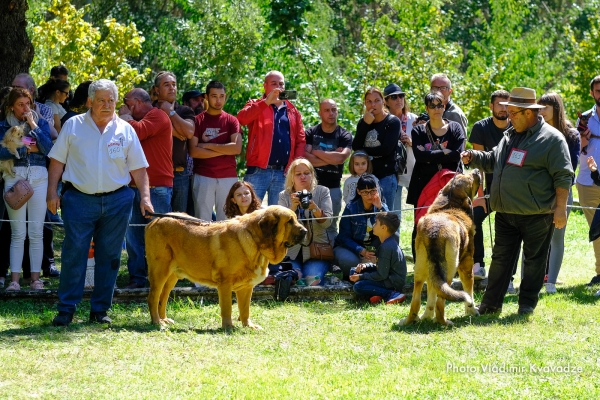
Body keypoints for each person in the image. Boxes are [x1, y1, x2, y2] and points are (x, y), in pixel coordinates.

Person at [47, 79, 154, 326]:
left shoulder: (126, 129)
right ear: (90, 101)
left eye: (112, 101)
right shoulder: (73, 125)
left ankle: (100, 310)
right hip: (79, 200)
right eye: (102, 100)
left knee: (111, 256)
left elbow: (139, 167)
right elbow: (57, 162)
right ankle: (66, 310)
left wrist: (145, 198)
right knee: (74, 255)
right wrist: (52, 192)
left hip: (118, 200)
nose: (107, 105)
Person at [461, 87, 573, 316]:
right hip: (505, 212)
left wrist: (560, 209)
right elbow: (493, 159)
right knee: (500, 259)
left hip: (536, 215)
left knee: (534, 261)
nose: (508, 116)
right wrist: (474, 157)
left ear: (528, 113)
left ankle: (526, 305)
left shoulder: (552, 140)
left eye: (513, 112)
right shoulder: (509, 135)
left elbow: (563, 176)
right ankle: (491, 304)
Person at [118, 88, 173, 289]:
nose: (124, 107)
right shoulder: (132, 121)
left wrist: (124, 116)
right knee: (133, 237)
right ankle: (137, 278)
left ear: (138, 102)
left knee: (160, 237)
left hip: (158, 187)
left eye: (127, 102)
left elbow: (138, 132)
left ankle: (161, 279)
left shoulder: (158, 115)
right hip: (132, 186)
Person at [0, 87, 53, 291]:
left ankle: (35, 279)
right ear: (11, 106)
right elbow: (2, 152)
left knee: (36, 232)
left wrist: (31, 127)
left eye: (28, 104)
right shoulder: (3, 124)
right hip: (14, 179)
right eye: (20, 104)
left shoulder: (40, 122)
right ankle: (14, 281)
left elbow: (48, 148)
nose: (25, 108)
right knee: (17, 233)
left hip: (39, 178)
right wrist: (27, 146)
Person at [406, 91, 465, 262]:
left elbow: (458, 154)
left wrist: (432, 153)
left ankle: (451, 262)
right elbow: (420, 157)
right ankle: (420, 263)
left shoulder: (455, 127)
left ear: (444, 106)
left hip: (449, 185)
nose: (436, 109)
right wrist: (446, 151)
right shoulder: (418, 130)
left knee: (452, 223)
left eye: (440, 105)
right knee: (421, 223)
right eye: (432, 106)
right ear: (427, 108)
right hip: (424, 184)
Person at [237, 70, 305, 205]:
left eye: (281, 84)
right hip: (258, 170)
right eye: (274, 84)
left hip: (283, 173)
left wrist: (294, 166)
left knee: (278, 217)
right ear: (265, 86)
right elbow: (242, 119)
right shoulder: (255, 104)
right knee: (250, 214)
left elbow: (300, 140)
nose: (278, 87)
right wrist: (266, 102)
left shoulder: (293, 110)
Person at [537, 92, 580, 293]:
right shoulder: (535, 131)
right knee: (534, 237)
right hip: (537, 192)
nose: (542, 111)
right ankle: (532, 280)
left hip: (562, 192)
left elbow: (570, 168)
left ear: (557, 108)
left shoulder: (571, 135)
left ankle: (551, 282)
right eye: (540, 107)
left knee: (557, 237)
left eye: (546, 107)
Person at [468, 90, 511, 281]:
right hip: (488, 187)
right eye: (499, 104)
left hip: (512, 188)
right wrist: (480, 196)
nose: (503, 108)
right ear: (491, 106)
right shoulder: (481, 128)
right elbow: (479, 165)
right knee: (474, 217)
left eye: (506, 104)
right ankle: (478, 265)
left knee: (510, 227)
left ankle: (508, 274)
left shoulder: (517, 127)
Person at [189, 80, 242, 221]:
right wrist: (225, 150)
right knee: (202, 222)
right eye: (214, 96)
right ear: (206, 97)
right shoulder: (197, 121)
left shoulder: (232, 121)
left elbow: (236, 148)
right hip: (203, 176)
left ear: (225, 97)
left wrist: (206, 145)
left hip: (228, 176)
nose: (218, 100)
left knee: (227, 222)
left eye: (221, 96)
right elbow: (194, 152)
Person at [278, 158, 332, 285]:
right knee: (292, 277)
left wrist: (315, 209)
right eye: (298, 174)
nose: (303, 177)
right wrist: (292, 208)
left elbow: (327, 223)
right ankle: (296, 274)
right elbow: (280, 226)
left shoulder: (322, 191)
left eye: (307, 173)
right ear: (292, 177)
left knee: (312, 281)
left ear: (312, 175)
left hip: (316, 251)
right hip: (292, 251)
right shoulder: (284, 195)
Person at [304, 98, 352, 237]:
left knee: (330, 227)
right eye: (326, 110)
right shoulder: (310, 133)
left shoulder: (344, 135)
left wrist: (315, 152)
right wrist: (332, 158)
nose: (331, 113)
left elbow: (341, 158)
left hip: (334, 188)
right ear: (320, 113)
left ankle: (331, 257)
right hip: (311, 187)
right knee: (308, 225)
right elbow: (305, 158)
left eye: (333, 110)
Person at [151, 71, 196, 214]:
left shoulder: (184, 110)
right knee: (158, 223)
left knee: (179, 225)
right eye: (166, 85)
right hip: (155, 175)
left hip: (180, 175)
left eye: (174, 85)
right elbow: (150, 130)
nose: (172, 88)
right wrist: (176, 132)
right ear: (157, 90)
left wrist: (170, 112)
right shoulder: (149, 111)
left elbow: (189, 132)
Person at [352, 87, 401, 208]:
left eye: (376, 100)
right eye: (369, 101)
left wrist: (364, 151)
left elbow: (386, 149)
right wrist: (365, 124)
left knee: (385, 215)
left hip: (386, 176)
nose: (372, 104)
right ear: (365, 103)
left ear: (383, 101)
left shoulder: (392, 122)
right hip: (366, 177)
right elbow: (355, 147)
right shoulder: (363, 122)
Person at [335, 174, 390, 279]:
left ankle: (375, 270)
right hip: (351, 247)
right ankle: (360, 273)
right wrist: (361, 250)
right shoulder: (351, 208)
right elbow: (343, 237)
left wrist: (380, 207)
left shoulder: (381, 205)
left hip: (372, 246)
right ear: (358, 191)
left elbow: (390, 227)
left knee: (394, 236)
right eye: (365, 192)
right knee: (351, 262)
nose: (369, 196)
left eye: (372, 191)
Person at [575, 75, 600, 287]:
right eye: (598, 91)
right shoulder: (583, 119)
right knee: (597, 229)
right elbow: (577, 150)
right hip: (588, 182)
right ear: (592, 93)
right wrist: (582, 140)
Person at [350, 212, 407, 304]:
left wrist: (361, 277)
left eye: (376, 223)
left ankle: (391, 294)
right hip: (386, 277)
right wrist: (366, 266)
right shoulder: (386, 242)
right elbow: (381, 266)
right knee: (354, 271)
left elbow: (381, 275)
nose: (373, 224)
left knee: (358, 286)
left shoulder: (386, 247)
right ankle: (378, 295)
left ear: (383, 228)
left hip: (392, 283)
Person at [383, 83, 418, 220]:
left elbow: (426, 145)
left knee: (420, 211)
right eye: (394, 97)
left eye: (401, 96)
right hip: (393, 174)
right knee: (394, 215)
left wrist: (410, 141)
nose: (399, 99)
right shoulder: (384, 121)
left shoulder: (414, 119)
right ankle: (394, 242)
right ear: (386, 101)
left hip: (414, 172)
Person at [11, 74, 58, 139]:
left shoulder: (44, 109)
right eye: (13, 87)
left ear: (31, 90)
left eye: (19, 88)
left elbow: (53, 135)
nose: (14, 91)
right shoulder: (8, 108)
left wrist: (38, 115)